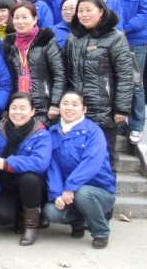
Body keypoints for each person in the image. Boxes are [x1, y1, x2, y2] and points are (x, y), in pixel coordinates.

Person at [63, 0, 133, 167]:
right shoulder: (73, 38)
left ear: (101, 11)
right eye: (80, 11)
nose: (84, 14)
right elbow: (65, 72)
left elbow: (125, 75)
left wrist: (122, 108)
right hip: (77, 108)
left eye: (89, 10)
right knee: (77, 156)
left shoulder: (115, 37)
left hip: (104, 109)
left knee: (105, 156)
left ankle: (108, 184)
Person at [43, 91, 116, 249]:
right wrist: (56, 194)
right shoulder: (53, 132)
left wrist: (71, 186)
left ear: (84, 110)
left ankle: (101, 231)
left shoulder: (93, 131)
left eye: (74, 105)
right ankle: (78, 223)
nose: (69, 108)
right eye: (65, 103)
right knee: (50, 211)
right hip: (69, 194)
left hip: (98, 192)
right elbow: (52, 167)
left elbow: (92, 162)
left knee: (83, 193)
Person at [0, 93, 51, 245]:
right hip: (8, 185)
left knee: (28, 178)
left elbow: (40, 163)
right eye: (14, 107)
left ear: (32, 111)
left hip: (33, 188)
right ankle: (19, 214)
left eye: (23, 108)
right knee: (2, 216)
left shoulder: (41, 134)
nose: (18, 112)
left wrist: (8, 163)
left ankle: (31, 227)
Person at [104, 0, 147, 143]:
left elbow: (146, 13)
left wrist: (125, 28)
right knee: (114, 81)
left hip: (134, 41)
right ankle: (119, 123)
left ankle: (136, 125)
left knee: (135, 82)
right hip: (110, 42)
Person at [2, 2, 65, 123]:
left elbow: (59, 74)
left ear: (35, 19)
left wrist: (55, 103)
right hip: (18, 106)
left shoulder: (46, 41)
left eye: (24, 17)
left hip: (44, 106)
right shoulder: (9, 44)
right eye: (16, 17)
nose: (20, 21)